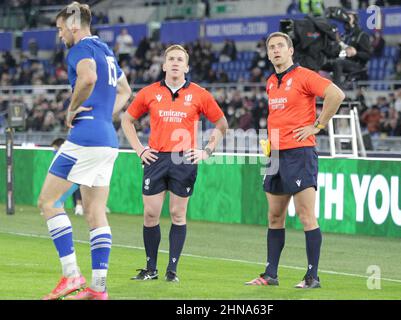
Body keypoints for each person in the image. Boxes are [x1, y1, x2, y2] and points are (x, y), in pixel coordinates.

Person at [37, 2, 131, 300]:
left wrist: (72, 108)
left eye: (61, 27)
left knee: (48, 202)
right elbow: (126, 91)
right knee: (94, 212)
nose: (60, 33)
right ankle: (98, 289)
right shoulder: (106, 51)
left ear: (74, 25)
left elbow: (88, 78)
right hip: (107, 139)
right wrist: (106, 116)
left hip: (86, 137)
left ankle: (71, 275)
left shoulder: (79, 50)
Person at [245, 32, 345, 288]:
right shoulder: (270, 82)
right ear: (267, 54)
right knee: (274, 217)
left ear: (290, 50)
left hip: (299, 153)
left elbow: (336, 95)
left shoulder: (304, 76)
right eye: (271, 47)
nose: (276, 50)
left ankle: (312, 276)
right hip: (275, 155)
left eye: (280, 46)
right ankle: (270, 274)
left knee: (305, 215)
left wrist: (318, 125)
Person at [121, 44, 228, 283]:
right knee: (150, 215)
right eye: (171, 59)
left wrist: (207, 151)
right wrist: (139, 150)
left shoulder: (199, 93)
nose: (176, 62)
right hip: (156, 158)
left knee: (178, 215)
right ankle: (151, 269)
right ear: (164, 65)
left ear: (187, 66)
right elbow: (127, 121)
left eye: (180, 59)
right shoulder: (149, 92)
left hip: (184, 159)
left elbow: (222, 124)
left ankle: (172, 270)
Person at [50, 138, 83, 215]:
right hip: (69, 175)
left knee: (75, 187)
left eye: (55, 148)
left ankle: (78, 206)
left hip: (75, 174)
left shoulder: (68, 153)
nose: (54, 150)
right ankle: (75, 206)